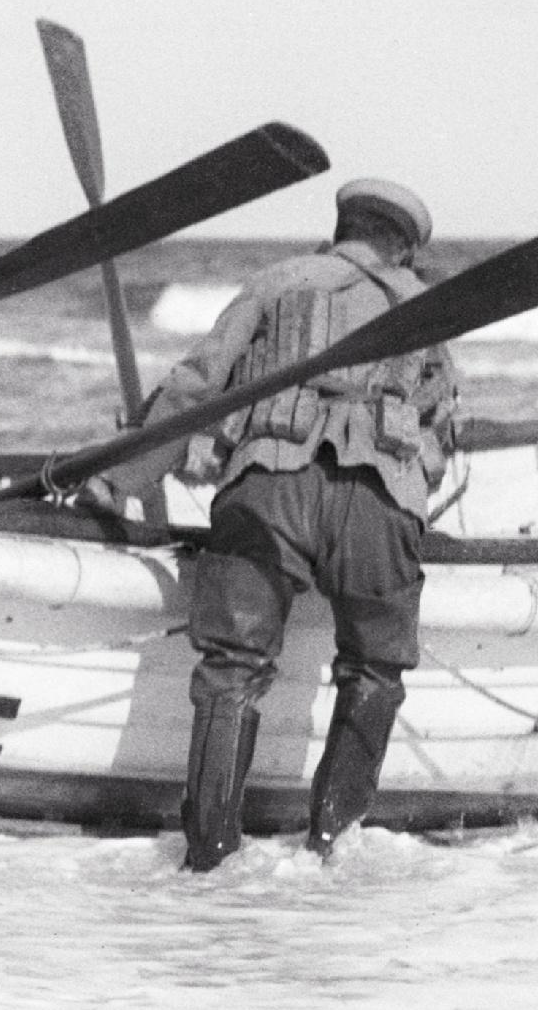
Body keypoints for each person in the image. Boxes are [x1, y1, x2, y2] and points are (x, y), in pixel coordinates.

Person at [122, 177, 461, 870]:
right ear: (404, 247)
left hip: (270, 485)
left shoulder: (277, 280)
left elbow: (194, 385)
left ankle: (209, 856)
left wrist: (117, 479)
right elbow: (442, 427)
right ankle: (329, 847)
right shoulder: (428, 309)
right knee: (374, 671)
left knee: (230, 668)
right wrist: (411, 483)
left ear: (341, 226)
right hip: (377, 501)